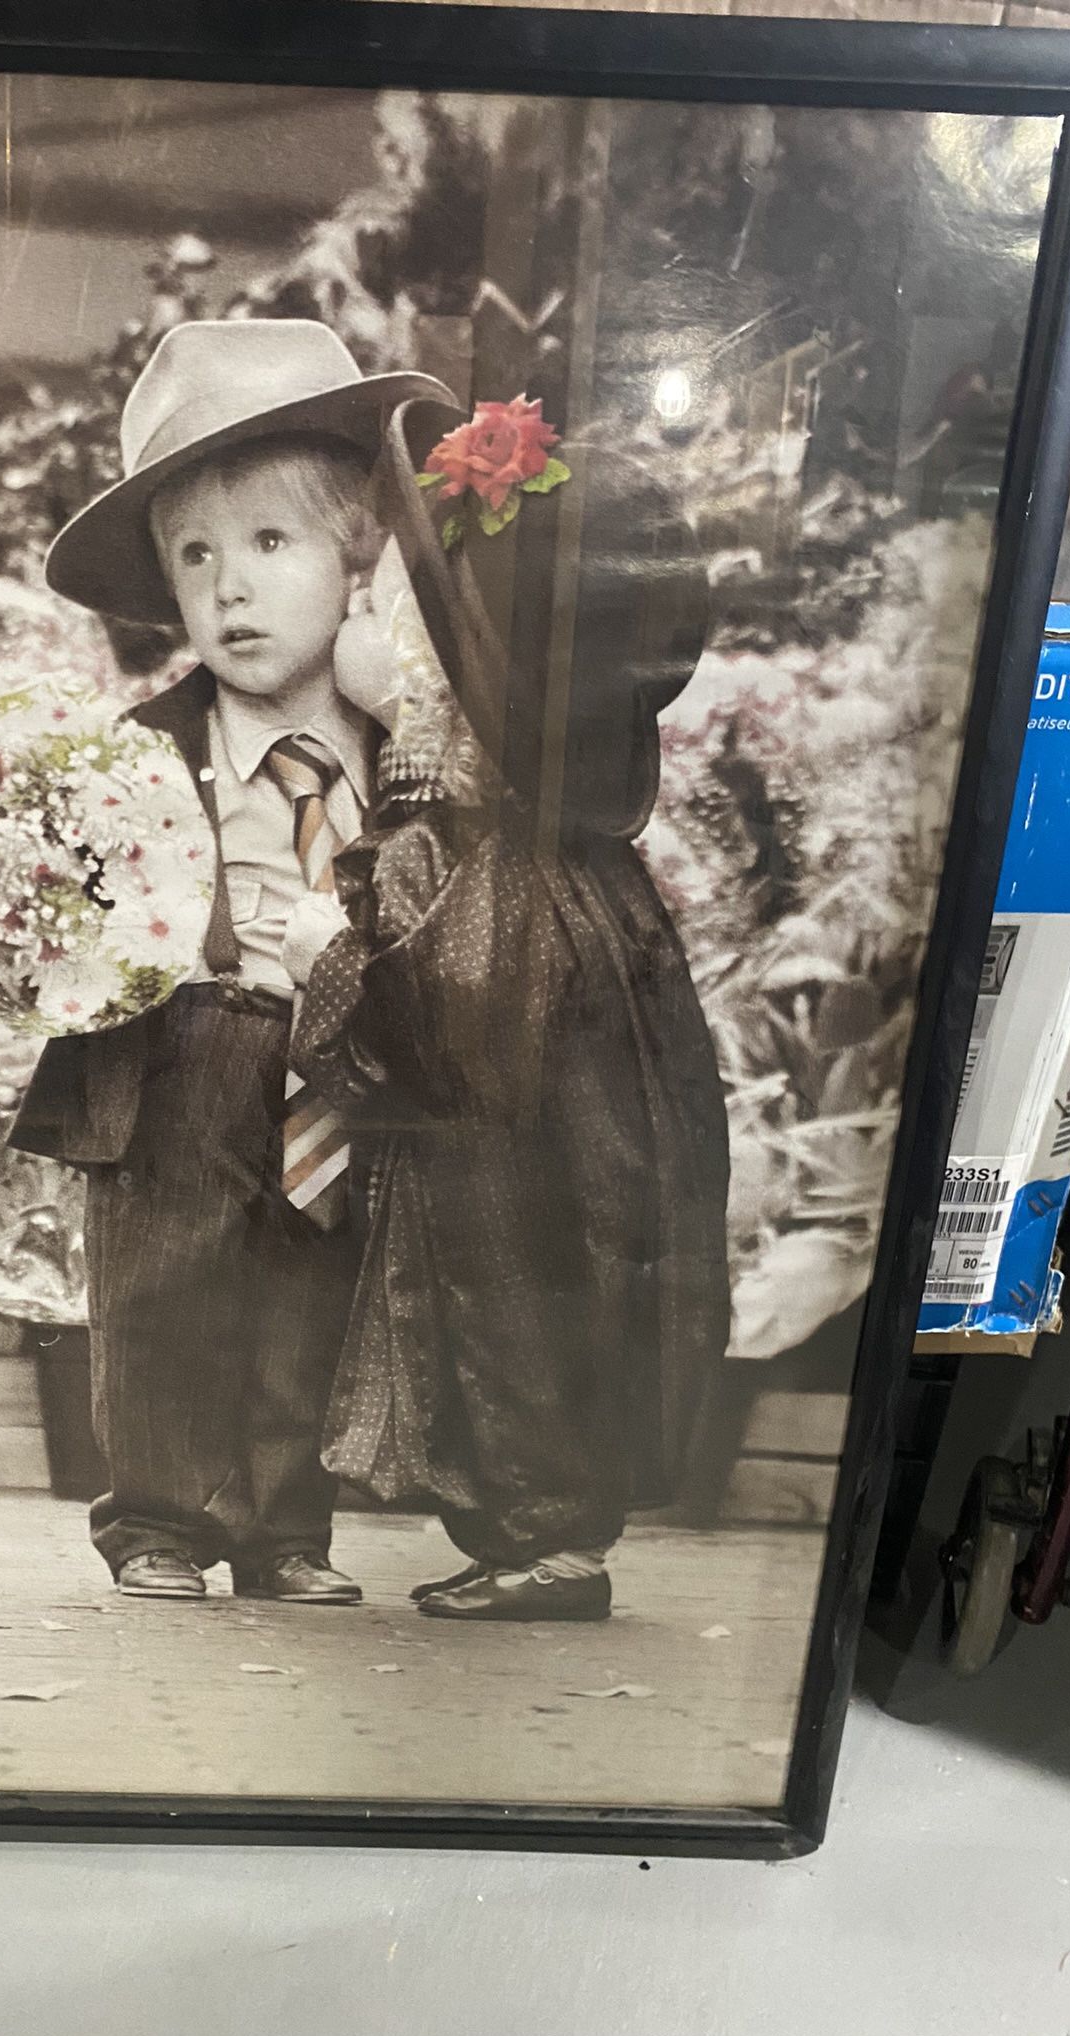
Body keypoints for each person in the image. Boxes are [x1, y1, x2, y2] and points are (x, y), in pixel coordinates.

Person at [7, 319, 456, 1604]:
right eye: (195, 555)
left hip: (336, 1050)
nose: (232, 588)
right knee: (163, 1283)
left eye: (270, 543)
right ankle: (154, 1515)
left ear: (358, 555)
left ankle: (281, 1527)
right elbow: (63, 898)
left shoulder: (405, 751)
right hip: (182, 1042)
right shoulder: (136, 751)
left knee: (310, 1282)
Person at [290, 395, 733, 1622]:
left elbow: (442, 1016)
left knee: (520, 1277)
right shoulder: (560, 856)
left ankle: (546, 1534)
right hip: (531, 1115)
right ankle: (529, 1529)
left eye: (393, 608)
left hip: (507, 1132)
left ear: (447, 663)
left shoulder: (478, 852)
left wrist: (334, 957)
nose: (366, 618)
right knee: (529, 1272)